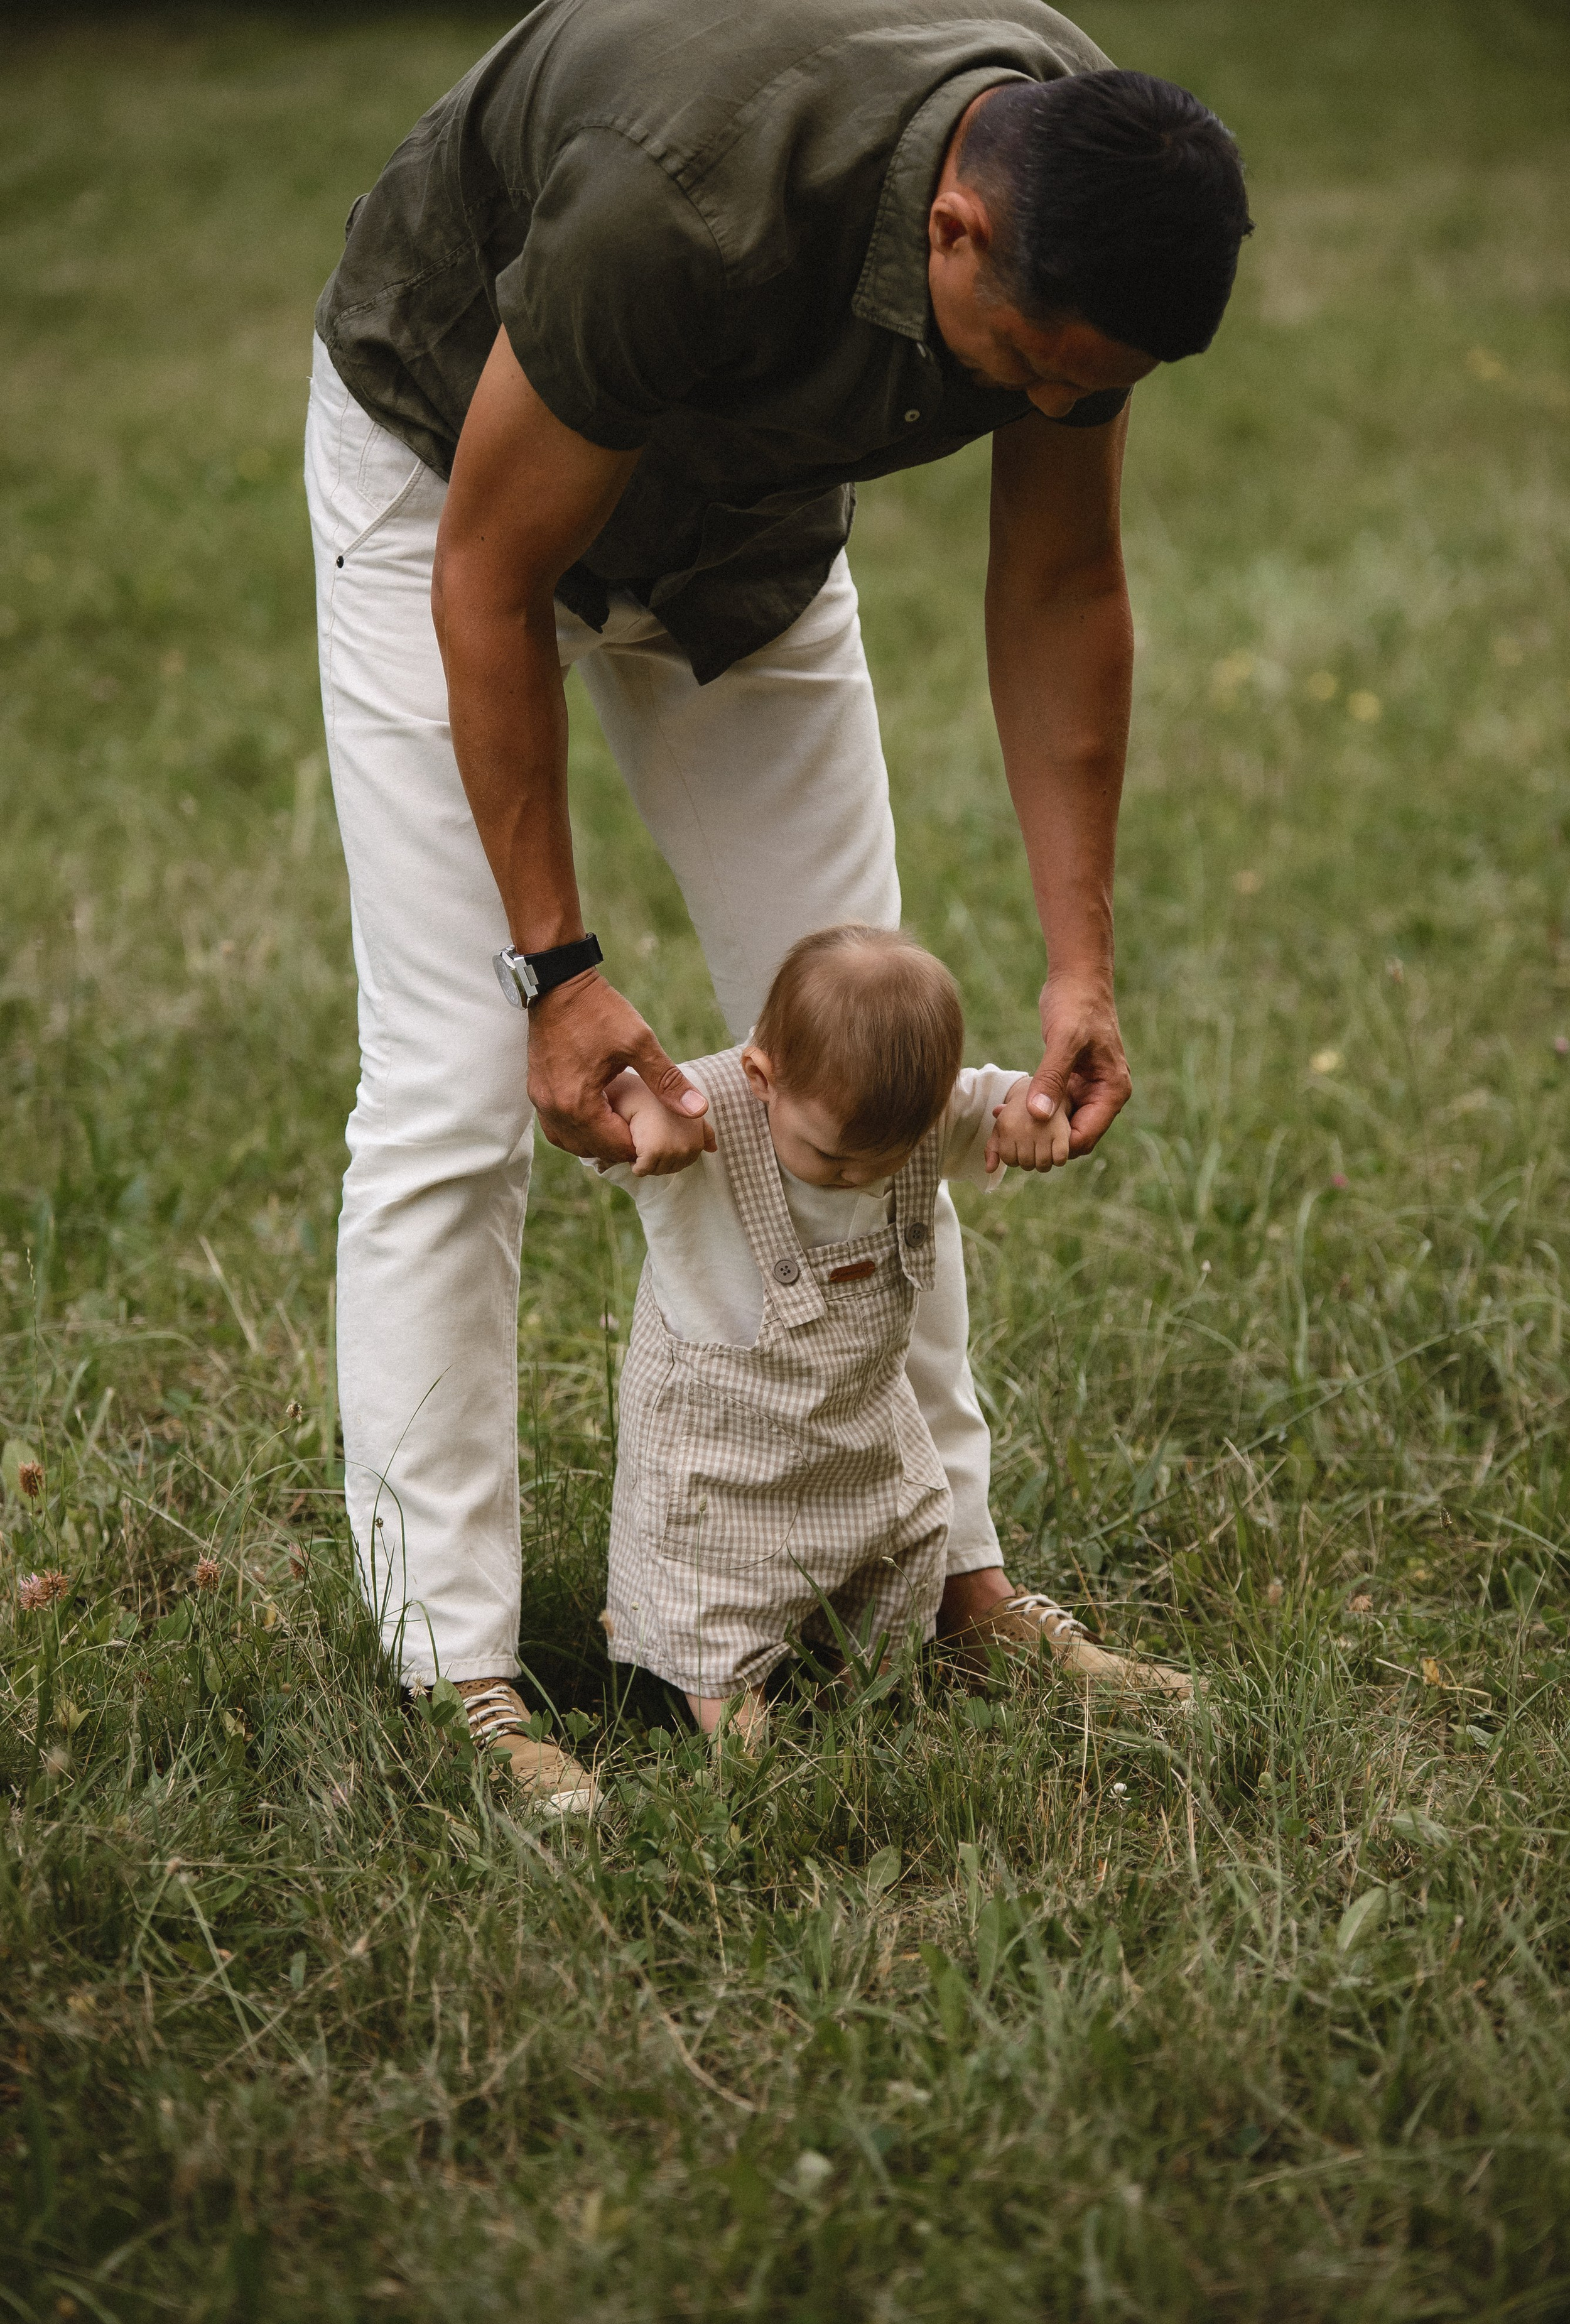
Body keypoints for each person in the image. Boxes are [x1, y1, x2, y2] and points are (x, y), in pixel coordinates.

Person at [303, 0, 1251, 1801]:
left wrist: (1081, 964)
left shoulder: (1078, 185)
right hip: (452, 478)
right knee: (449, 1081)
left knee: (880, 1048)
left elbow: (1062, 579)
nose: (1050, 410)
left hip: (740, 538)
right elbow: (493, 577)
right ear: (954, 227)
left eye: (1091, 388)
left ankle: (948, 1577)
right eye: (1033, 369)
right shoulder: (681, 205)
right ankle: (459, 1677)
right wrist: (558, 972)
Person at [592, 925, 1193, 1755]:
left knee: (899, 1527)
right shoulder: (705, 1109)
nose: (860, 1177)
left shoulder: (913, 1109)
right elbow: (608, 1092)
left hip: (859, 1425)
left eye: (888, 1157)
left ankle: (876, 1669)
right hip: (718, 1443)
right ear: (763, 1077)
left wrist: (1032, 1113)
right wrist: (636, 1112)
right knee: (711, 1585)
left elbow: (1001, 1099)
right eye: (833, 1157)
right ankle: (724, 1701)